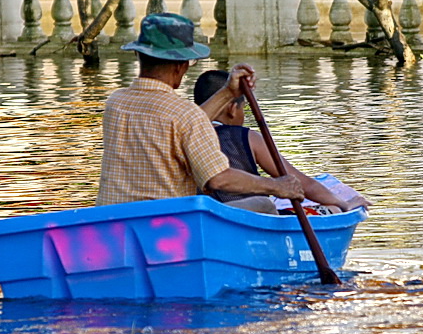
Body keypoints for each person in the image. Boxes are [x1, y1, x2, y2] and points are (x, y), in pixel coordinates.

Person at [96, 13, 304, 212]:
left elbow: (181, 125)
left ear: (138, 55)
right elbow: (218, 178)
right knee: (264, 205)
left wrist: (228, 93)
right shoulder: (184, 114)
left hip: (114, 220)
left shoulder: (116, 102)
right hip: (167, 225)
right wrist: (276, 186)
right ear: (180, 66)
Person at [193, 69, 371, 214]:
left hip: (199, 216)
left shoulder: (184, 135)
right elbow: (303, 183)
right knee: (333, 209)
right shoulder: (246, 137)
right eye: (243, 108)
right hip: (248, 218)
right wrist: (343, 204)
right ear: (232, 109)